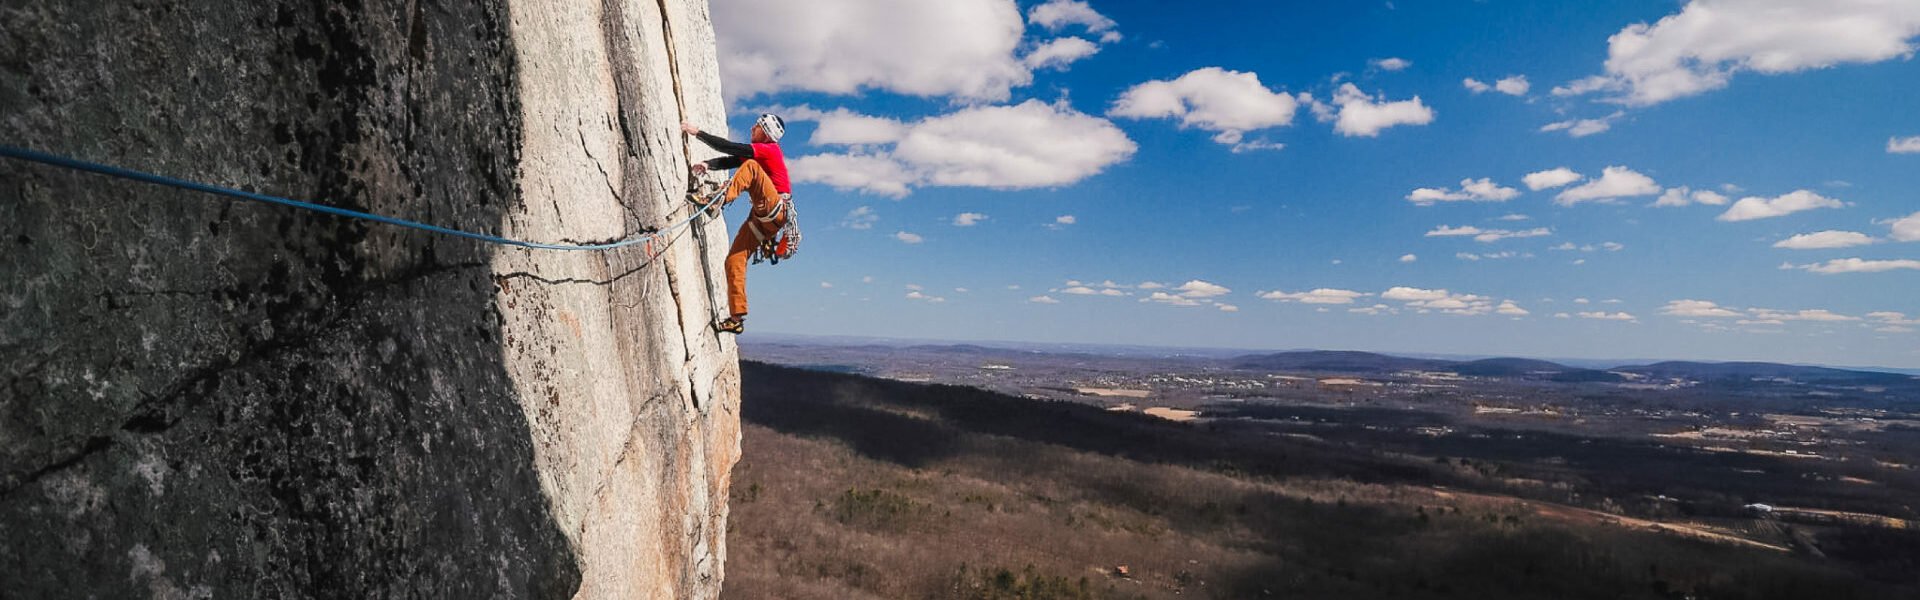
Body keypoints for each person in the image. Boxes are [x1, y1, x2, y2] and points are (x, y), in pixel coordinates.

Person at [682, 113, 790, 334]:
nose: (752, 128)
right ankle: (736, 318)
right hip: (763, 220)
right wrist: (707, 164)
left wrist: (697, 133)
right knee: (734, 260)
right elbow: (731, 160)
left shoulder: (769, 150)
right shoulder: (760, 152)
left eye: (758, 126)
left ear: (766, 133)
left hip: (774, 208)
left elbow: (729, 148)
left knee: (750, 167)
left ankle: (716, 200)